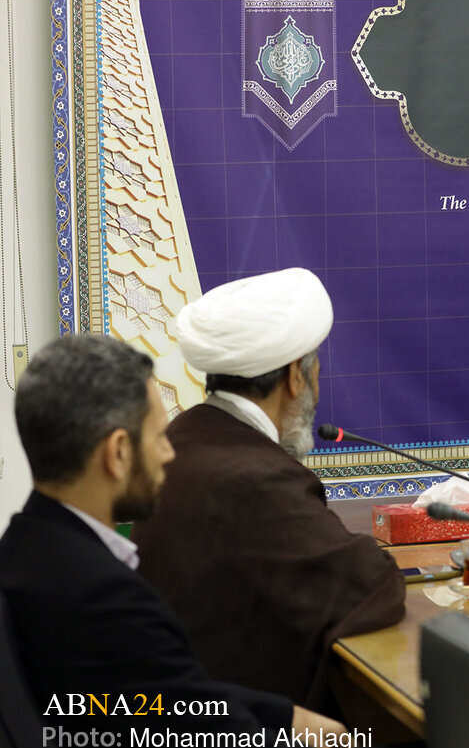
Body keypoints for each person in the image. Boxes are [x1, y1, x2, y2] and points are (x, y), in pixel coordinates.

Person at [0, 334, 429, 748]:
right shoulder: (102, 599)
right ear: (119, 453)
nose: (170, 453)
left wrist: (283, 717)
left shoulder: (30, 552)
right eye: (159, 437)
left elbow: (168, 700)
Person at [132, 268, 405, 713]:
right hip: (239, 732)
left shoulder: (182, 435)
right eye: (315, 375)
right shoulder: (259, 478)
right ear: (296, 376)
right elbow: (369, 583)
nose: (317, 391)